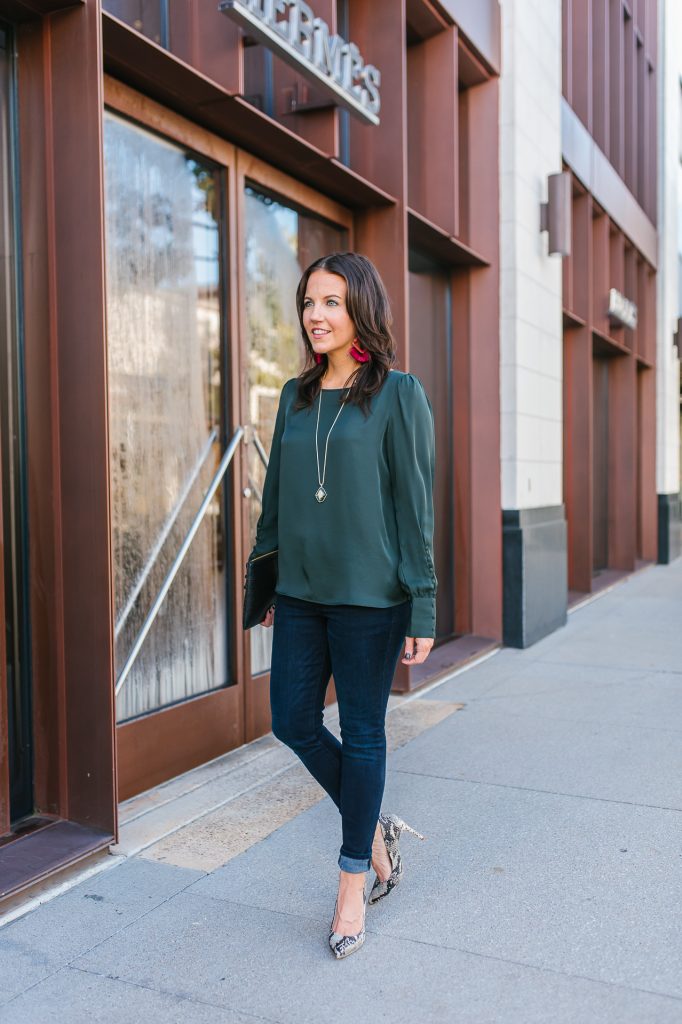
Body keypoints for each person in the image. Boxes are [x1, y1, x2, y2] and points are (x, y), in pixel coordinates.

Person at [248, 251, 437, 959]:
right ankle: (375, 823)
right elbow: (276, 502)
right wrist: (267, 583)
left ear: (360, 307)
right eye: (307, 303)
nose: (315, 316)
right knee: (291, 721)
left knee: (363, 736)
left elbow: (415, 509)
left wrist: (422, 604)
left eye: (330, 302)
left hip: (371, 599)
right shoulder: (293, 397)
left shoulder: (397, 393)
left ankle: (354, 877)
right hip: (299, 594)